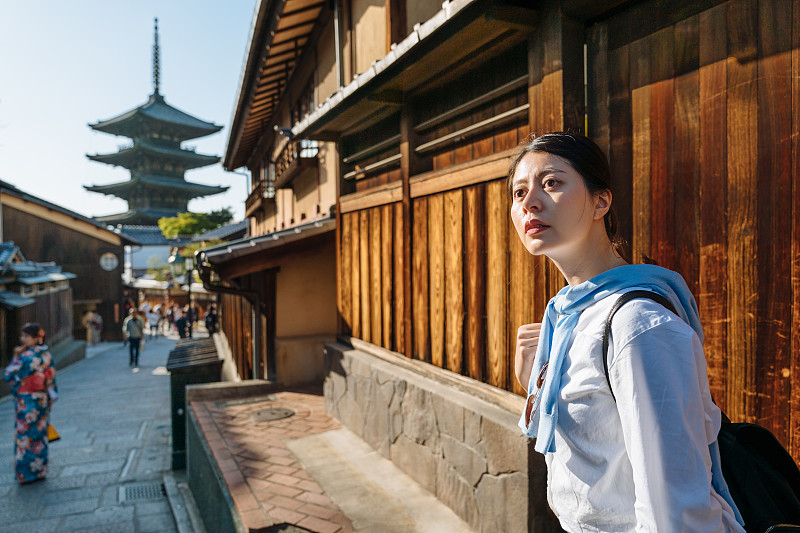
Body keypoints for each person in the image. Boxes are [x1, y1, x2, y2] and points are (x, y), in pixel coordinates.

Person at [510, 132, 744, 532]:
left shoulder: (638, 326)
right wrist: (534, 380)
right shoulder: (567, 317)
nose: (530, 200)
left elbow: (675, 504)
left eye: (551, 183)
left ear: (601, 201)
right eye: (518, 192)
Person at [4, 323, 57, 484]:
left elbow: (9, 375)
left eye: (26, 336)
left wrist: (15, 356)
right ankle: (39, 470)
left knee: (24, 435)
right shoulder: (47, 355)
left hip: (25, 402)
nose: (23, 339)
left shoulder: (24, 356)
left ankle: (25, 474)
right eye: (22, 336)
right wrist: (50, 398)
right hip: (41, 399)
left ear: (36, 338)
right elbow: (52, 379)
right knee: (39, 435)